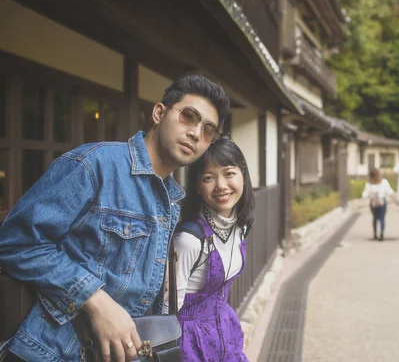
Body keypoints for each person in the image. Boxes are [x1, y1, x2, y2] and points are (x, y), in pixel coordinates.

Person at [0, 74, 230, 361]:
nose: (196, 133)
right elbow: (15, 242)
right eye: (188, 116)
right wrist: (95, 300)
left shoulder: (171, 198)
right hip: (52, 351)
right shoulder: (94, 165)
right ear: (159, 114)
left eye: (209, 130)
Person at [166, 137, 254, 361]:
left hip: (227, 336)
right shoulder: (189, 240)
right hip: (190, 344)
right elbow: (167, 309)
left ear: (243, 175)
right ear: (197, 185)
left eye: (229, 173)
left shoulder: (239, 228)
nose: (221, 186)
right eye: (208, 177)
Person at [362, 168, 394, 241]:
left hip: (373, 203)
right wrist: (394, 196)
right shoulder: (384, 182)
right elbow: (389, 191)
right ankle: (382, 233)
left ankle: (375, 234)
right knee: (382, 218)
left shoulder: (369, 184)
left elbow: (365, 194)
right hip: (382, 202)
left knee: (375, 218)